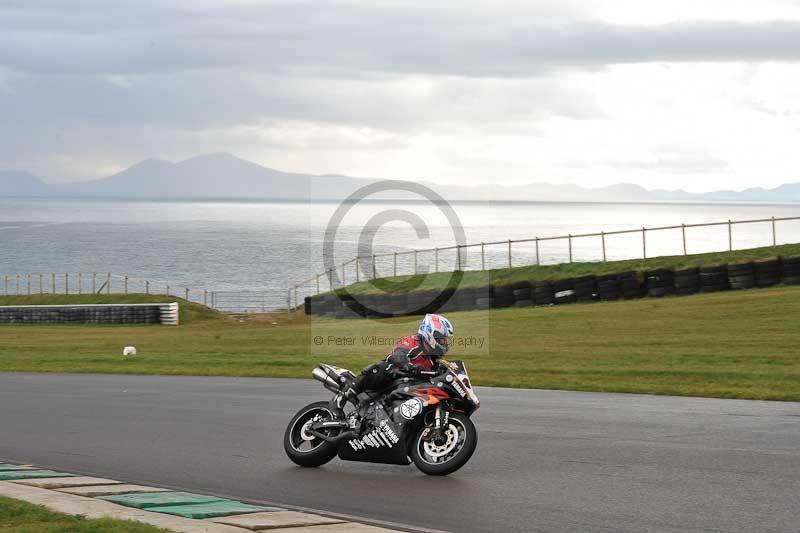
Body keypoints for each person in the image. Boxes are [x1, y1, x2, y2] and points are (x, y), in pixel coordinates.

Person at [347, 313, 454, 399]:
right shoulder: (413, 342)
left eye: (446, 340)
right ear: (430, 334)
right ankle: (340, 400)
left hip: (410, 388)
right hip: (390, 378)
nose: (444, 343)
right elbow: (397, 355)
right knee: (380, 368)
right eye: (442, 339)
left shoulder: (435, 356)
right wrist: (410, 367)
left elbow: (447, 371)